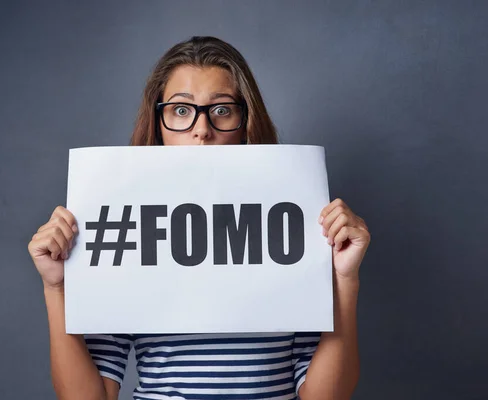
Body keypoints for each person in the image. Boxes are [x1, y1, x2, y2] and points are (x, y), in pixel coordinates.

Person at [28, 36, 371, 400]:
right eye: (180, 110)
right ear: (158, 123)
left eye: (222, 110)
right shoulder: (128, 226)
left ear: (245, 121)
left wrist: (344, 280)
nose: (202, 130)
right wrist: (57, 289)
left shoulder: (292, 223)